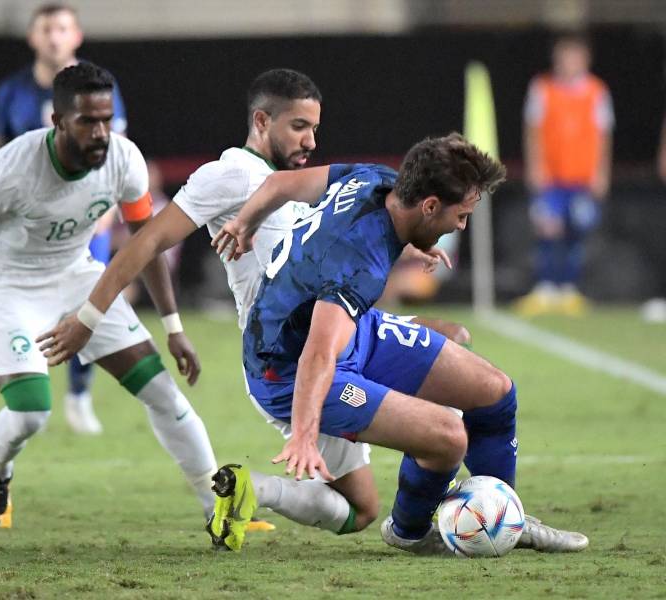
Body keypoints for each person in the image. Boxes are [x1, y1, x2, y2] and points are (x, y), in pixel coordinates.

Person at [33, 69, 483, 536]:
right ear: (262, 121)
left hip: (344, 331)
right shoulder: (229, 177)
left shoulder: (295, 180)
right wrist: (90, 318)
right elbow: (145, 243)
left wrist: (413, 240)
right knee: (367, 504)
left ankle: (270, 488)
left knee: (449, 345)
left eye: (314, 128)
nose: (310, 140)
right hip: (287, 354)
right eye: (299, 127)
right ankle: (437, 501)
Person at [205, 133, 589, 555]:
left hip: (349, 330)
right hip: (289, 372)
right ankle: (410, 531)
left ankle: (504, 514)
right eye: (460, 216)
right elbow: (318, 352)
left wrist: (245, 222)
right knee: (448, 437)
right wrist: (304, 434)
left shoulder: (377, 179)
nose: (460, 227)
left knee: (494, 392)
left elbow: (278, 185)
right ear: (428, 206)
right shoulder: (358, 262)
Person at [0, 63, 218, 529]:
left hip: (76, 276)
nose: (101, 131)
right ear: (58, 122)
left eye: (106, 119)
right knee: (31, 413)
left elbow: (147, 241)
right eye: (87, 121)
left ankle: (217, 506)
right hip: (7, 283)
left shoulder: (125, 160)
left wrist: (173, 327)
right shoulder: (14, 166)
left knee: (163, 392)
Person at [0, 2, 128, 433]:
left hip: (85, 215)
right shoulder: (12, 89)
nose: (54, 37)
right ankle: (29, 395)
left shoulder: (102, 86)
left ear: (76, 35)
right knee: (26, 305)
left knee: (87, 309)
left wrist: (109, 209)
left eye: (62, 28)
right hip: (28, 220)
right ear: (32, 37)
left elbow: (116, 150)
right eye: (46, 29)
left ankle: (79, 396)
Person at [515, 32, 614, 317]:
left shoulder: (597, 91)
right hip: (551, 178)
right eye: (564, 56)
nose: (569, 62)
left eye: (575, 57)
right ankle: (546, 287)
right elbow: (533, 131)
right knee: (547, 228)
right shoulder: (542, 88)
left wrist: (601, 172)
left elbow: (603, 135)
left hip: (581, 178)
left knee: (578, 229)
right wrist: (535, 166)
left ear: (585, 59)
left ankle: (569, 288)